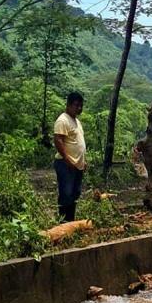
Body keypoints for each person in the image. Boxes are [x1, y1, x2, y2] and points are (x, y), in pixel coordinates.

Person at [53, 92, 87, 222]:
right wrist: (67, 160)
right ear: (68, 105)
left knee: (74, 195)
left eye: (81, 106)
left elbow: (78, 142)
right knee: (66, 195)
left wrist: (84, 161)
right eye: (76, 105)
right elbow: (58, 140)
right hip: (65, 164)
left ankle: (70, 222)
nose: (79, 108)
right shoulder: (63, 120)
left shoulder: (76, 121)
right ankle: (63, 223)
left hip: (77, 165)